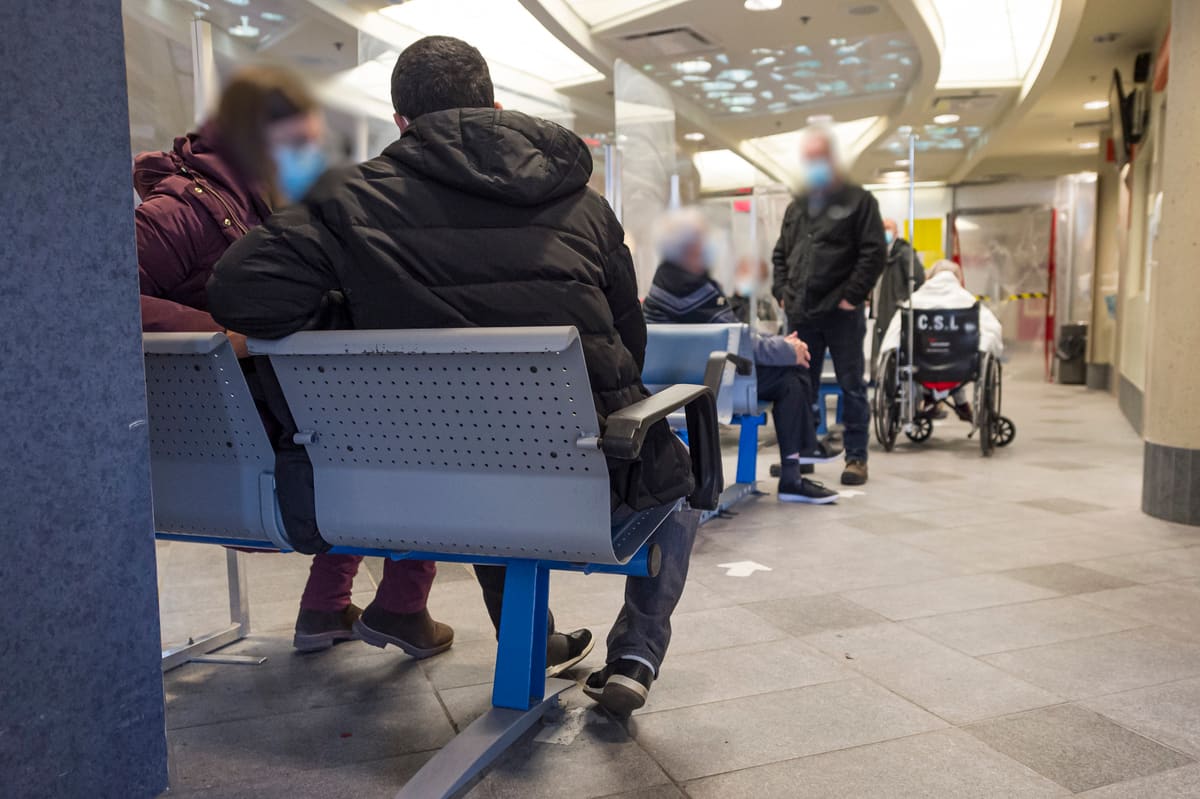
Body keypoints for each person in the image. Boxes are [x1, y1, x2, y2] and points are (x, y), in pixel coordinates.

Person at [207, 36, 700, 714]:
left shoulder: (348, 200)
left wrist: (345, 310)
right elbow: (630, 341)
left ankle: (534, 640)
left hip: (409, 491)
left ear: (401, 124)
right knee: (682, 469)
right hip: (582, 488)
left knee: (479, 447)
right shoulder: (582, 202)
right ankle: (637, 652)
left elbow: (240, 292)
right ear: (496, 107)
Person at [133, 66, 452, 658]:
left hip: (249, 430)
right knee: (399, 435)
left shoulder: (246, 201)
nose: (308, 155)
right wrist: (223, 337)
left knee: (355, 423)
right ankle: (401, 607)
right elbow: (98, 293)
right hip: (238, 444)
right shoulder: (185, 206)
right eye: (298, 141)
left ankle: (327, 608)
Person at [643, 208, 839, 504]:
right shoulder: (696, 291)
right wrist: (789, 349)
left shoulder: (661, 286)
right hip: (712, 390)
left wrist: (780, 343)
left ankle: (805, 452)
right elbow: (741, 344)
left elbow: (737, 334)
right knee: (792, 373)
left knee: (786, 363)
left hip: (667, 388)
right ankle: (793, 474)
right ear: (690, 248)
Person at [772, 126, 886, 486]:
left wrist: (851, 297)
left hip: (841, 313)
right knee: (800, 387)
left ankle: (856, 459)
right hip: (802, 312)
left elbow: (874, 253)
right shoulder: (797, 207)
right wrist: (782, 290)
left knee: (852, 385)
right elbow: (780, 254)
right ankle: (802, 457)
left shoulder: (859, 201)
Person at [878, 259, 1003, 419]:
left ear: (930, 277)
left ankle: (929, 399)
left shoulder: (914, 302)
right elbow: (992, 330)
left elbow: (893, 336)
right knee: (959, 351)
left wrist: (886, 354)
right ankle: (961, 404)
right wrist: (988, 349)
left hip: (920, 367)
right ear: (957, 277)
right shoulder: (968, 302)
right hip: (961, 367)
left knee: (917, 354)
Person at [871, 218, 924, 375]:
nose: (884, 231)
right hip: (880, 314)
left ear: (896, 232)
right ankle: (887, 389)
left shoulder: (904, 253)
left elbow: (918, 278)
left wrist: (905, 301)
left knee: (896, 354)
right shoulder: (880, 254)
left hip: (896, 313)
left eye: (888, 228)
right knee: (883, 354)